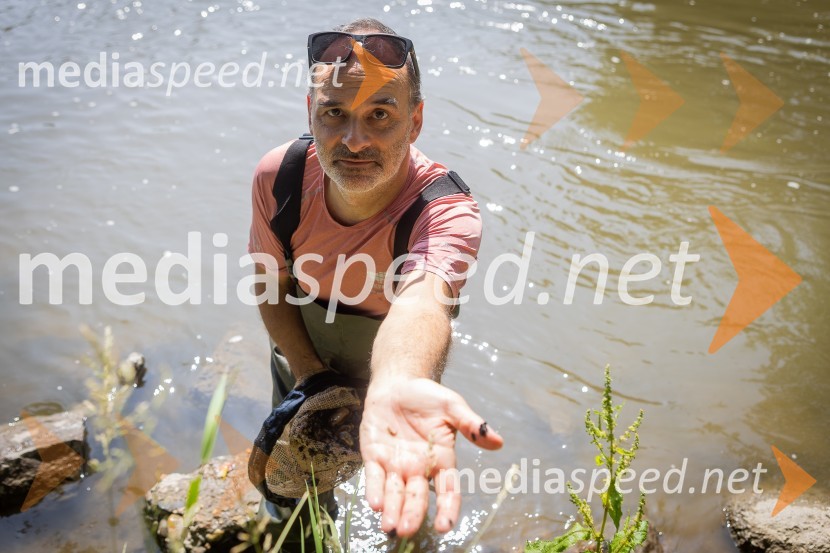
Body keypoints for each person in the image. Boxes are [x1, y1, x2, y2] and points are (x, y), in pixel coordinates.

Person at [247, 17, 503, 540]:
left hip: (397, 380)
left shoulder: (444, 212)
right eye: (334, 113)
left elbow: (423, 303)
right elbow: (270, 284)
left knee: (405, 515)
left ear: (415, 121)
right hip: (299, 365)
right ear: (311, 114)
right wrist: (310, 380)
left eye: (380, 115)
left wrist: (396, 383)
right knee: (297, 511)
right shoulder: (281, 177)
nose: (354, 140)